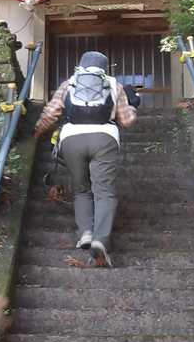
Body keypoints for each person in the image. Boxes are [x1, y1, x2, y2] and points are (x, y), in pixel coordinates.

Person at [33, 49, 138, 266]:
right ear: (104, 68)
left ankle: (86, 233)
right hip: (104, 139)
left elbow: (51, 113)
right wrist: (133, 104)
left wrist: (37, 131)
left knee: (82, 190)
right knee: (104, 192)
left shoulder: (69, 83)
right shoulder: (114, 85)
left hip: (71, 139)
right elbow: (127, 120)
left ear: (81, 66)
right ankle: (101, 239)